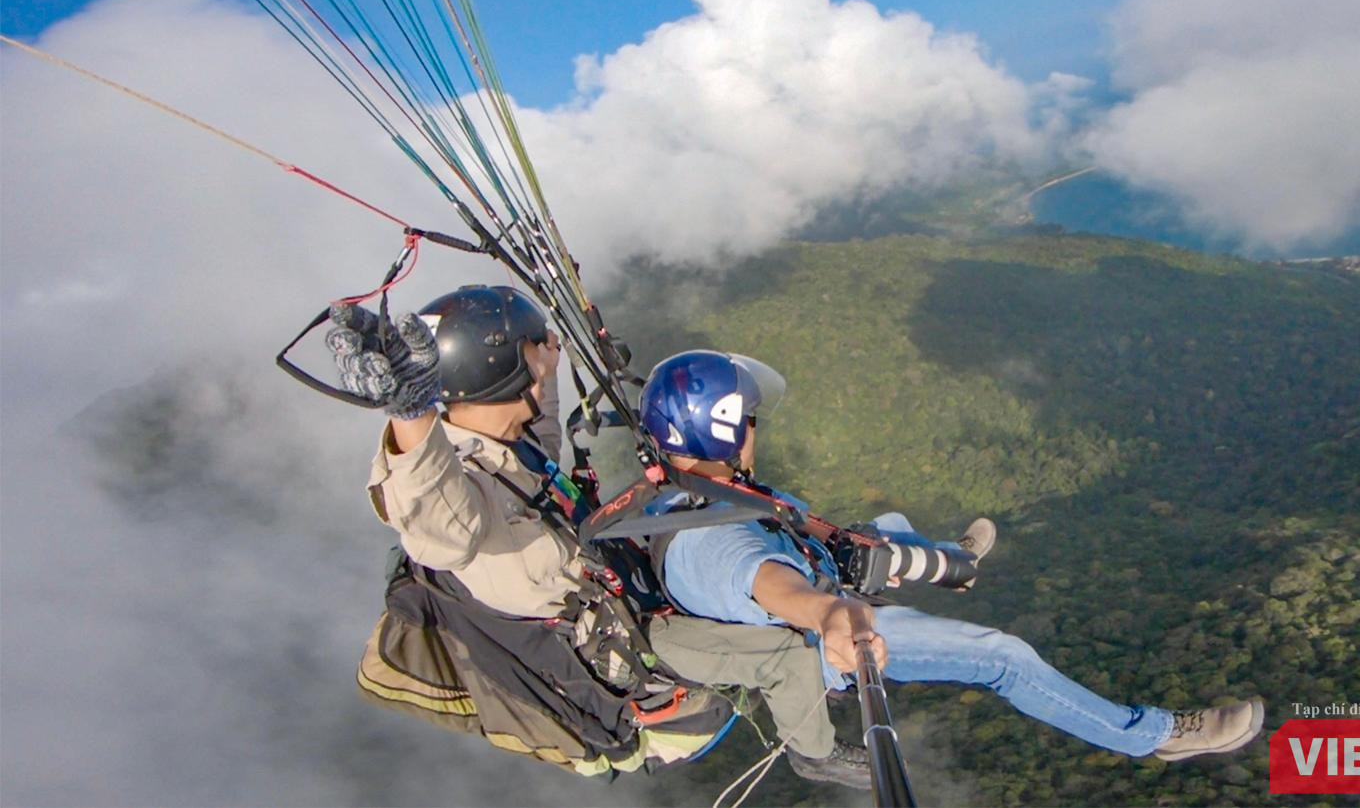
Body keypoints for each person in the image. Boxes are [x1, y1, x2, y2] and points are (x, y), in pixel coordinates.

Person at [327, 286, 871, 787]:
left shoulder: (502, 441)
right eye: (538, 344)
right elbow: (435, 527)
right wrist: (411, 418)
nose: (550, 348)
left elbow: (537, 426)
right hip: (637, 653)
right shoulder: (456, 498)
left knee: (725, 535)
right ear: (507, 366)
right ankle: (814, 752)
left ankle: (823, 656)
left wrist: (551, 355)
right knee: (789, 655)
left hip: (628, 589)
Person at [638, 350, 1266, 763]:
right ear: (718, 430)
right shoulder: (709, 539)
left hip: (814, 574)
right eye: (747, 418)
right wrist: (830, 615)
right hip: (821, 636)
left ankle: (948, 560)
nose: (754, 428)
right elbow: (767, 582)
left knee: (890, 528)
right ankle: (1155, 737)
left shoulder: (690, 489)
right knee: (1004, 657)